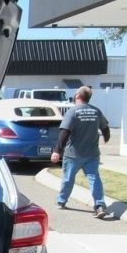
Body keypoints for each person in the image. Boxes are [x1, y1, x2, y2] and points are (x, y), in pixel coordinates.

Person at [50, 86, 111, 218]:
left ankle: (61, 201)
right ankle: (100, 206)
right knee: (94, 178)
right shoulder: (96, 111)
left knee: (68, 179)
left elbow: (64, 132)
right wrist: (106, 138)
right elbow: (105, 128)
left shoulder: (73, 112)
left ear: (77, 96)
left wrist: (56, 151)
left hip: (73, 154)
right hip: (92, 154)